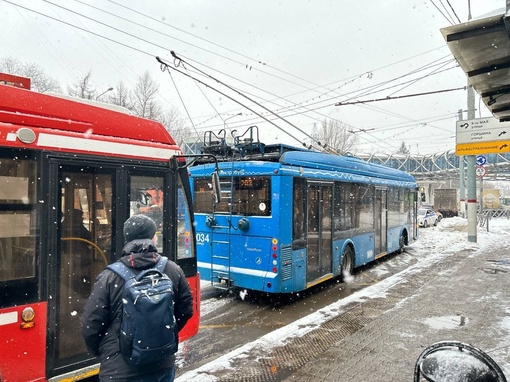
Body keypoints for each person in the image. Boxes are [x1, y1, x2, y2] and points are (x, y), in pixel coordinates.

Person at [81, 214, 193, 381]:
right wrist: (161, 336)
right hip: (161, 365)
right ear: (153, 238)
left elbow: (91, 324)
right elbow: (186, 310)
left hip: (121, 370)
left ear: (127, 239)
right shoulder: (172, 270)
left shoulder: (109, 276)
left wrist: (107, 350)